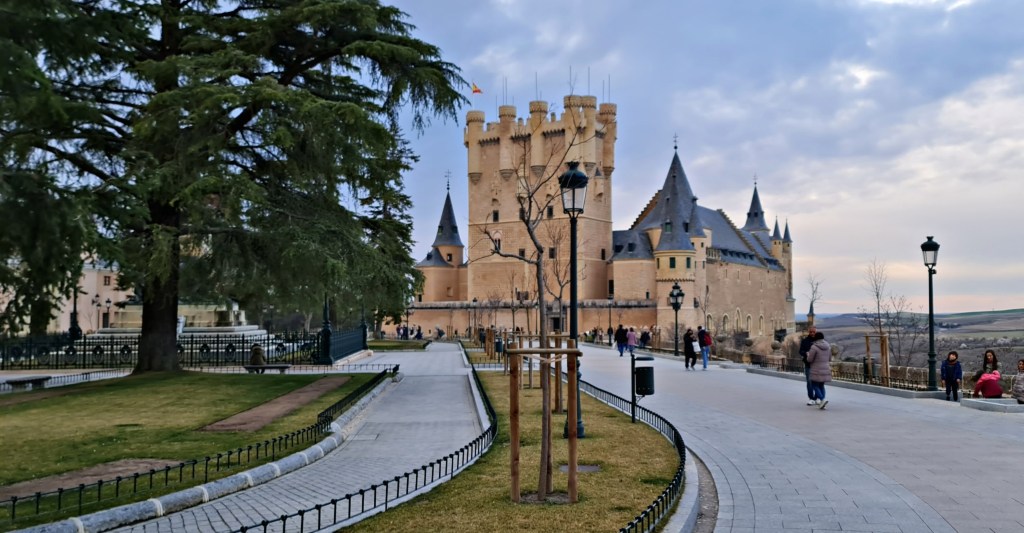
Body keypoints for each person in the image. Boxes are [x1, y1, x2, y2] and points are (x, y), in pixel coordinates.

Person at [805, 331, 832, 409]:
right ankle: (823, 402)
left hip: (816, 369)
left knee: (814, 385)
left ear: (815, 338)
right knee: (821, 385)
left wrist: (808, 355)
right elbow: (830, 358)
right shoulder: (828, 346)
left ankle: (822, 399)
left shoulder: (814, 347)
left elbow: (810, 360)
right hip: (826, 368)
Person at [799, 326, 818, 405]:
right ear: (809, 332)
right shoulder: (805, 341)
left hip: (817, 364)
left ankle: (817, 397)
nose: (812, 333)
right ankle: (811, 398)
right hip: (808, 364)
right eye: (811, 332)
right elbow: (800, 351)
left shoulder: (819, 341)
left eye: (814, 332)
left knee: (817, 381)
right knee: (809, 382)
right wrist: (805, 353)